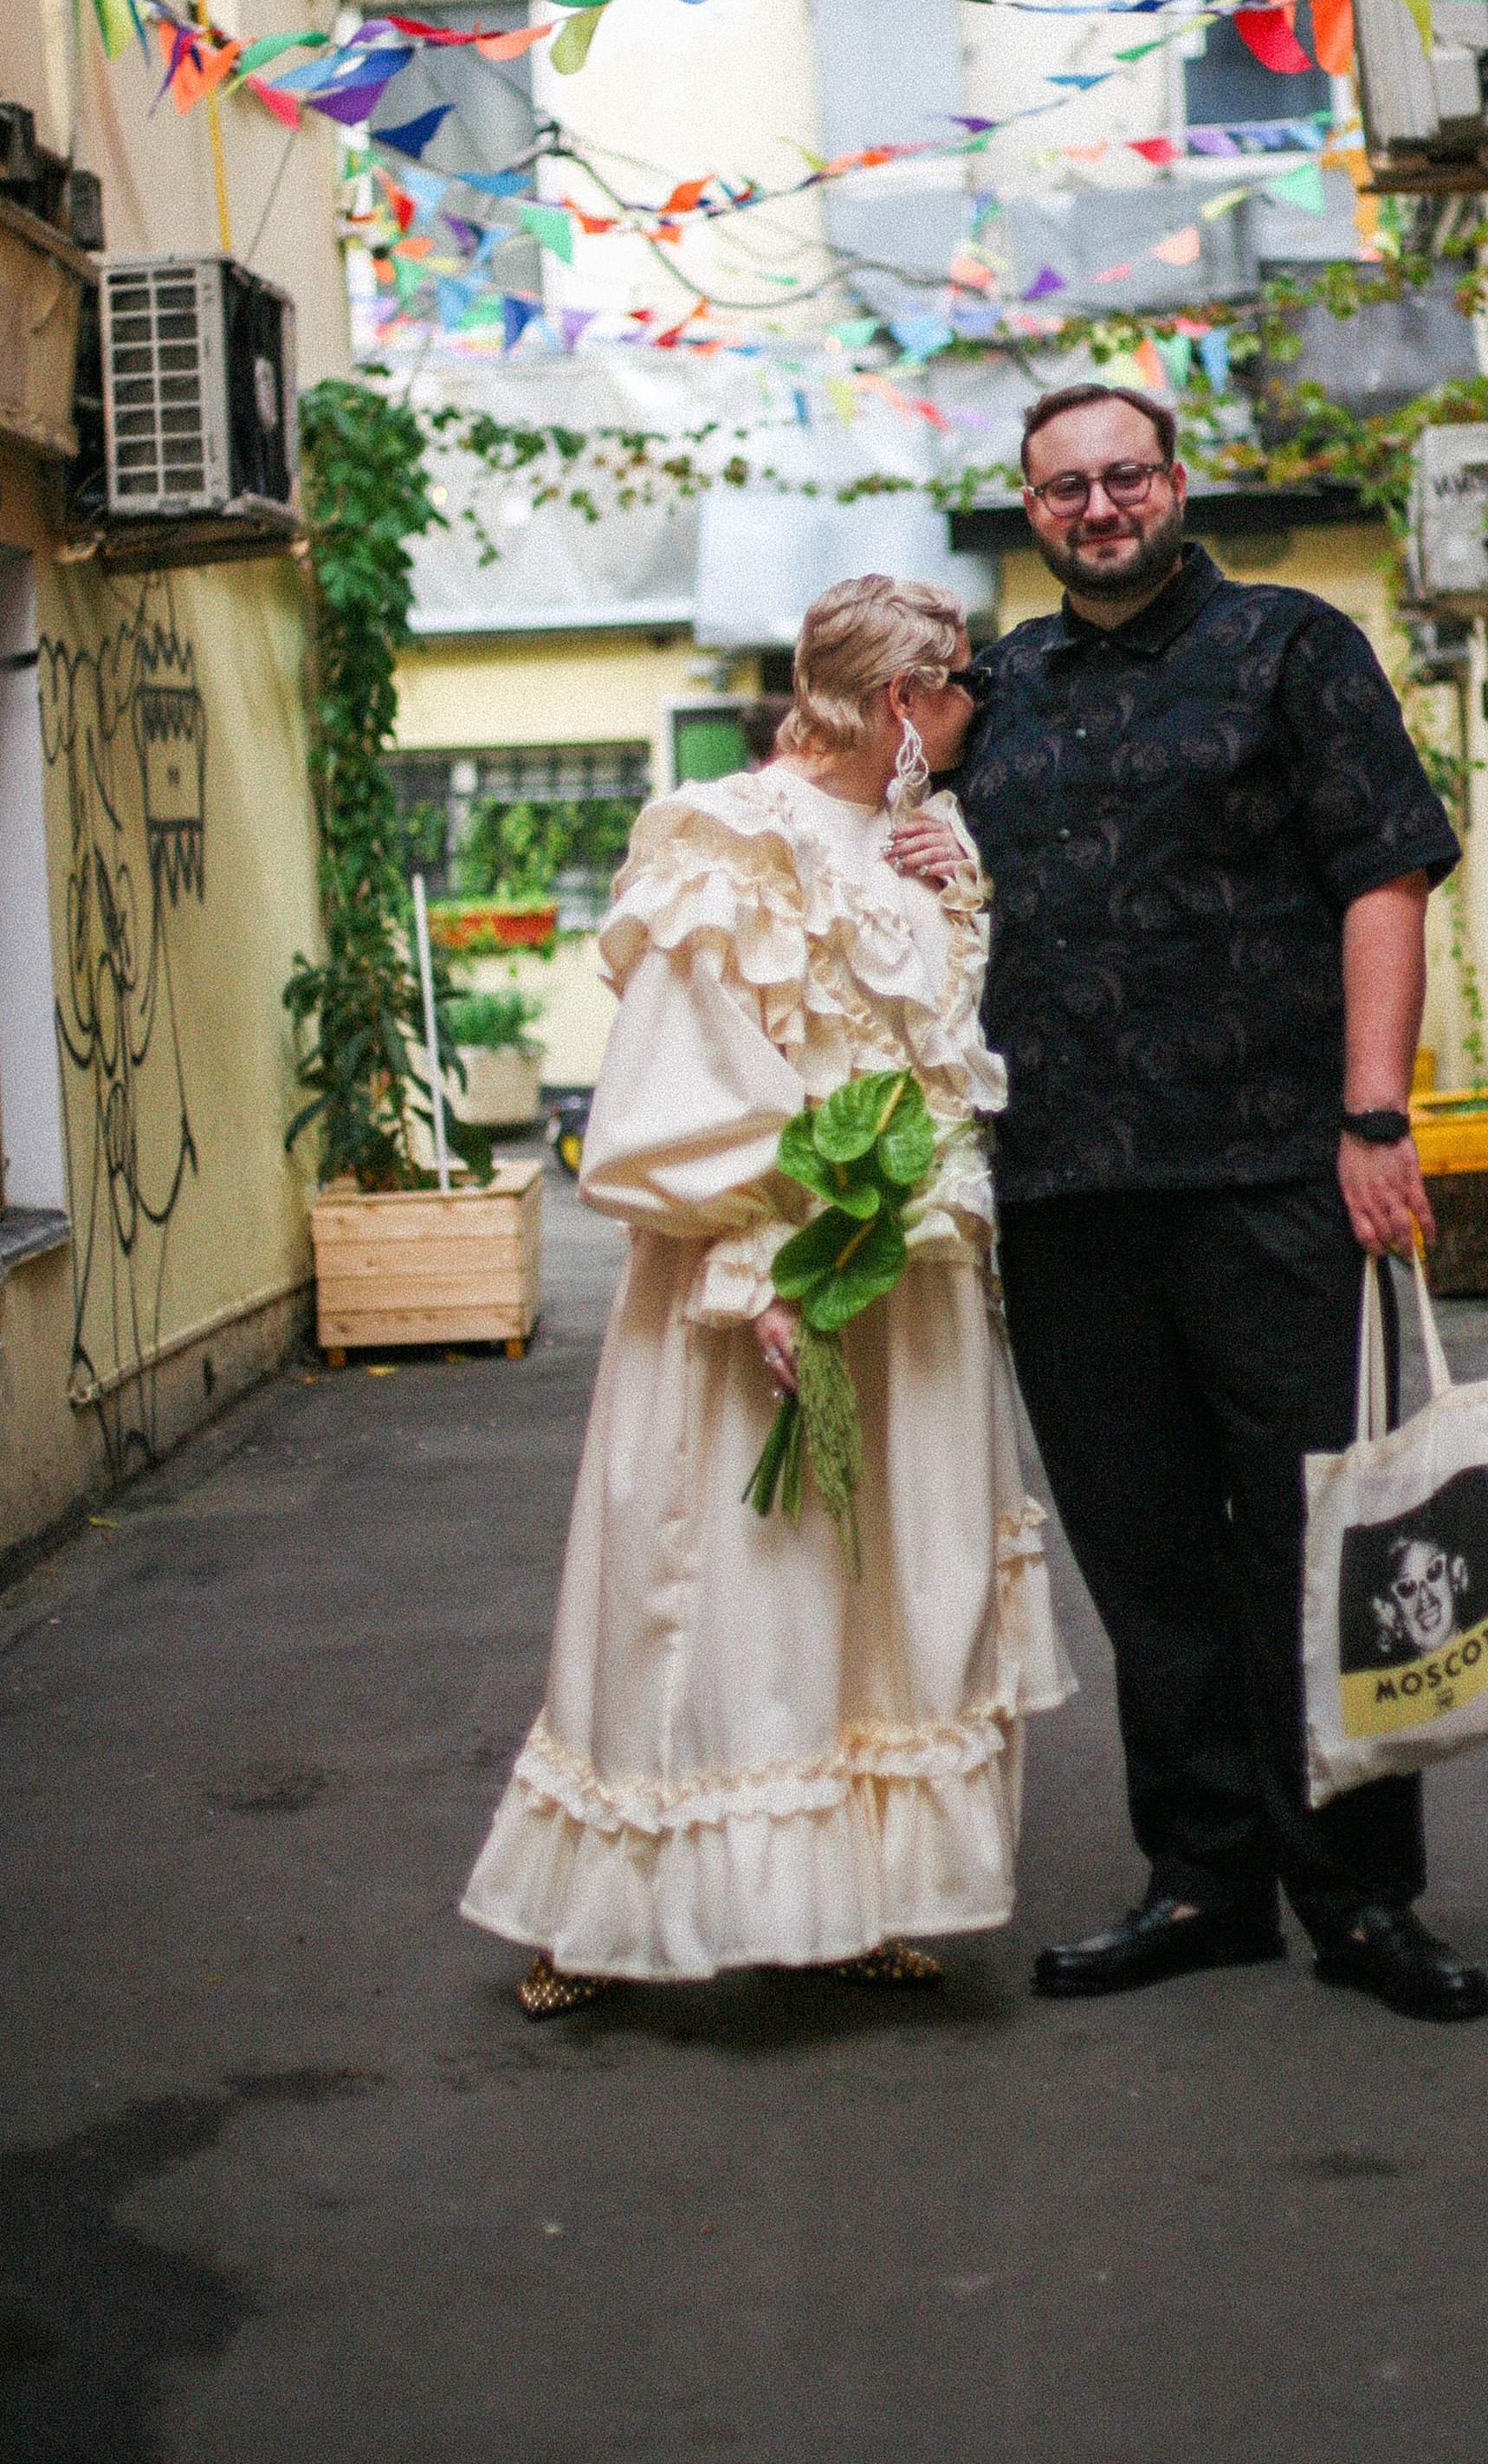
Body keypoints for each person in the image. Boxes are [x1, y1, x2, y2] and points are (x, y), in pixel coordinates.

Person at [949, 380, 1488, 2023]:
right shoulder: (999, 690)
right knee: (1146, 1556)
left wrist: (1376, 1114)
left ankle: (1360, 1897)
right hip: (1060, 1190)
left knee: (1318, 1537)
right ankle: (1203, 1880)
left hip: (1271, 1172)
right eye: (1065, 488)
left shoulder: (1289, 649)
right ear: (1032, 511)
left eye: (1125, 477)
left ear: (1176, 485)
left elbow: (1383, 873)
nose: (1099, 508)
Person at [463, 574, 1070, 2009]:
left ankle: (851, 1896)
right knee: (718, 1587)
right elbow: (675, 1087)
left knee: (879, 1593)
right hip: (762, 1276)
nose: (973, 712)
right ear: (901, 700)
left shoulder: (926, 840)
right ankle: (603, 1916)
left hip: (907, 1287)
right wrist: (768, 1270)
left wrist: (963, 894)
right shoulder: (730, 839)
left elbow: (946, 1056)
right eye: (957, 686)